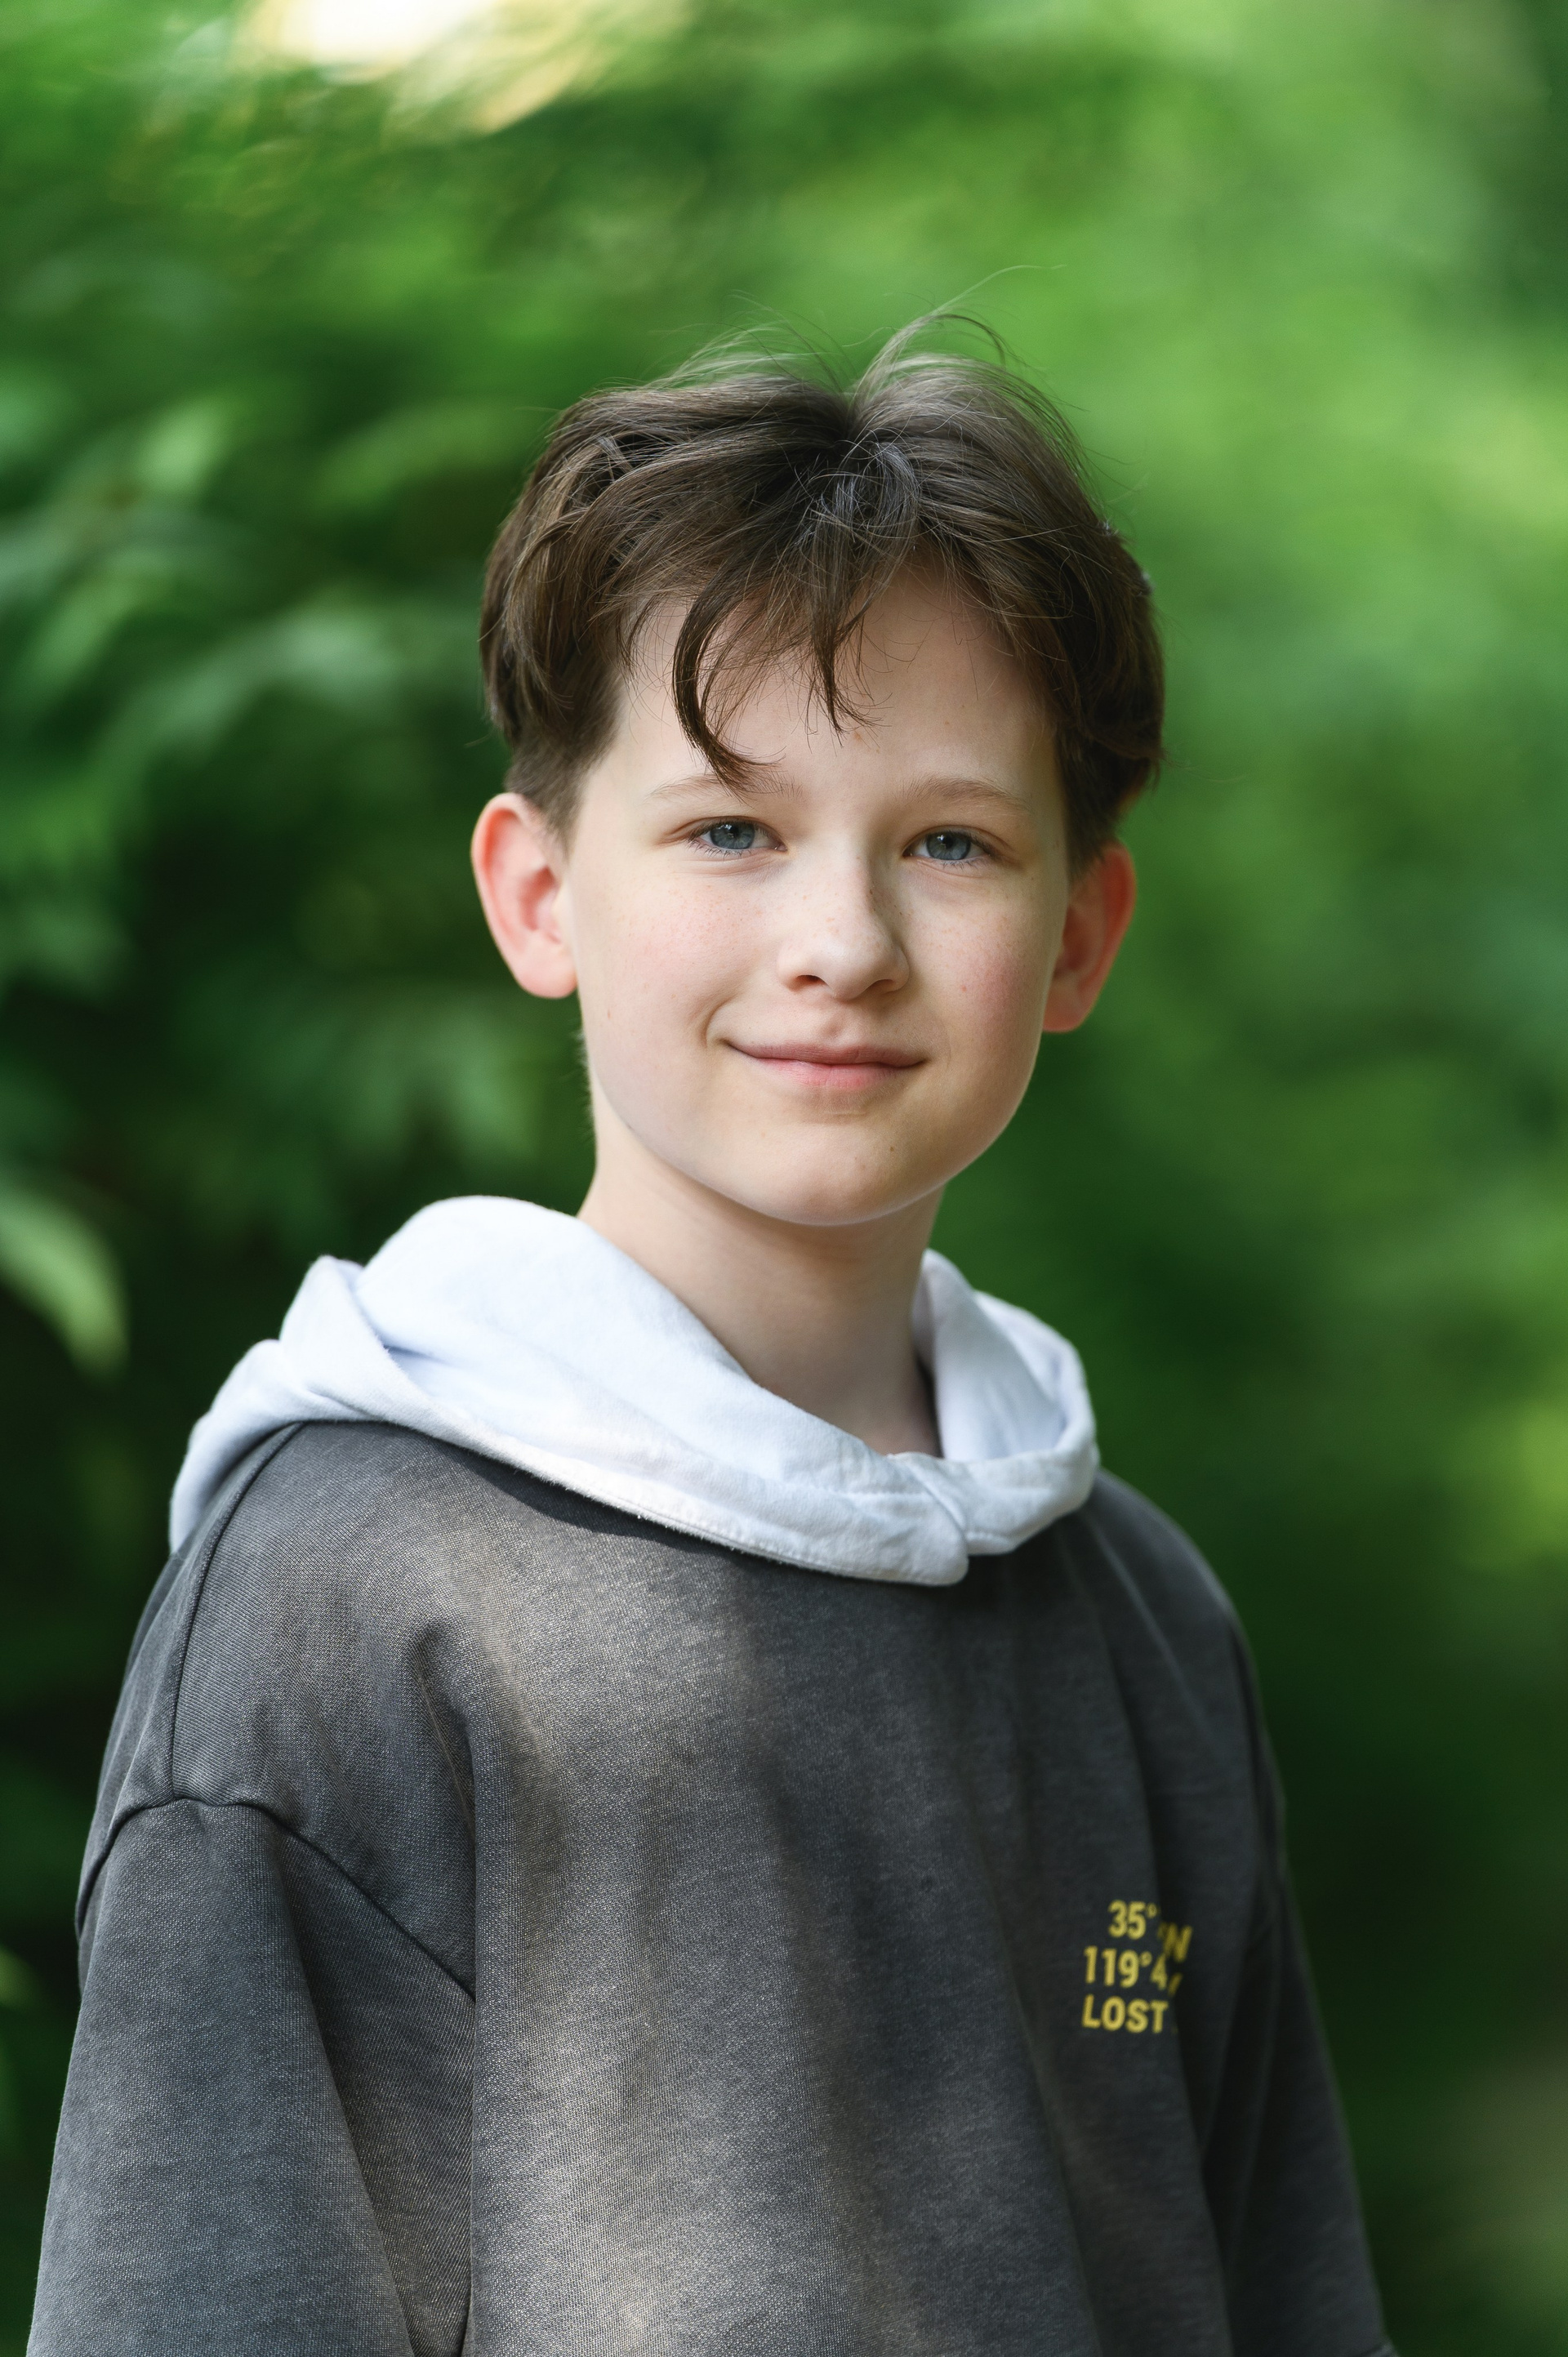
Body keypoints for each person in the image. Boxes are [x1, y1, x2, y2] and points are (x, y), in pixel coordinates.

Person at [29, 327, 1392, 2357]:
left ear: (1083, 932)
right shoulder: (350, 1603)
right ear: (538, 894)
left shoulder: (1145, 1622)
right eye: (731, 832)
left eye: (950, 842)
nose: (842, 944)